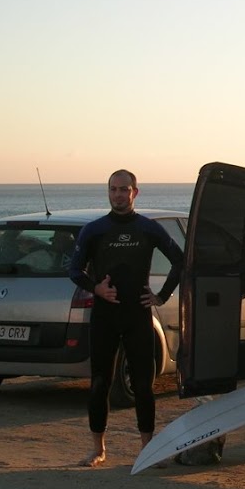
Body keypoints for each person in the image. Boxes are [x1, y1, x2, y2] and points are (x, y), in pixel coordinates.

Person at [69, 169, 185, 467]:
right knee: (99, 383)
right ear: (108, 192)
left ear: (135, 192)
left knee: (144, 384)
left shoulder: (148, 229)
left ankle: (147, 448)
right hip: (105, 316)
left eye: (124, 189)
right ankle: (98, 449)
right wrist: (96, 288)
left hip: (138, 314)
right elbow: (74, 270)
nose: (118, 194)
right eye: (113, 189)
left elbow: (180, 262)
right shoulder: (94, 230)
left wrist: (162, 295)